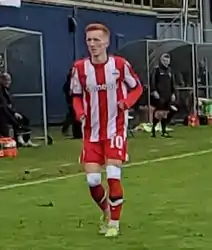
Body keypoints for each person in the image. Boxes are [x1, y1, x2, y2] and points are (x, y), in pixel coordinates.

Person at [71, 23, 143, 237]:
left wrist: (127, 102)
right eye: (89, 40)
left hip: (115, 130)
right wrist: (79, 113)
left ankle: (115, 223)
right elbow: (75, 95)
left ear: (106, 42)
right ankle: (106, 212)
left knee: (113, 175)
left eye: (96, 40)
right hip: (91, 132)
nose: (92, 44)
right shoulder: (80, 68)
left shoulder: (119, 65)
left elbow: (137, 87)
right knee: (93, 181)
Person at [2, 72, 38, 147]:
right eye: (6, 80)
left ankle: (27, 139)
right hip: (5, 113)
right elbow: (4, 105)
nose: (8, 82)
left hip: (11, 111)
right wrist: (14, 113)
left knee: (26, 119)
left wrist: (15, 111)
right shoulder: (1, 91)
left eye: (9, 80)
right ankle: (19, 138)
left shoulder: (7, 90)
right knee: (17, 120)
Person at [150, 53, 177, 138]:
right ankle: (153, 129)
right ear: (161, 61)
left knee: (166, 112)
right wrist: (154, 91)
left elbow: (173, 83)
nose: (166, 62)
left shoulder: (170, 70)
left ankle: (163, 131)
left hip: (168, 94)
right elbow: (152, 81)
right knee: (159, 112)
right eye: (164, 60)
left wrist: (173, 93)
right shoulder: (156, 70)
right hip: (159, 95)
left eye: (167, 61)